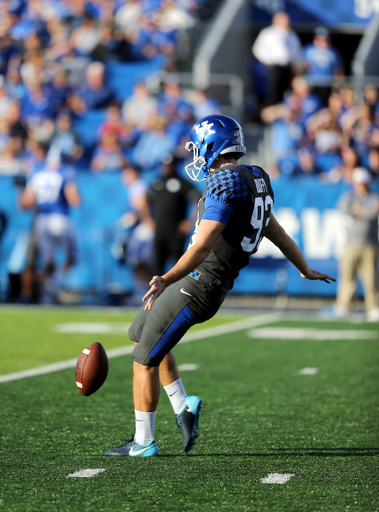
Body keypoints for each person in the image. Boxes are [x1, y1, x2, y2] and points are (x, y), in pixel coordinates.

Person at [104, 114, 335, 458]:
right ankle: (183, 405)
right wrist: (304, 268)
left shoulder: (225, 181)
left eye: (199, 148)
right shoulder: (254, 178)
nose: (196, 156)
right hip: (202, 281)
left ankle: (143, 442)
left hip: (198, 283)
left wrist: (166, 277)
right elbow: (279, 234)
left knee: (143, 358)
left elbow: (203, 245)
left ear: (213, 146)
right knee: (141, 333)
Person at [332, 167, 379, 321]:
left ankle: (373, 307)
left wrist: (360, 211)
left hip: (369, 244)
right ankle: (344, 305)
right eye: (358, 183)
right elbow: (344, 209)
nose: (361, 186)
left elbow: (373, 214)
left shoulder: (373, 197)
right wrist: (362, 211)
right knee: (347, 277)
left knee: (370, 278)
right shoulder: (349, 196)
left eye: (363, 183)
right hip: (350, 244)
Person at [146, 153, 201, 275]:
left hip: (176, 231)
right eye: (164, 165)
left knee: (179, 265)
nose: (166, 168)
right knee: (158, 265)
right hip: (159, 230)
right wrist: (148, 219)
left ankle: (179, 292)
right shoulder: (157, 183)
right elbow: (144, 201)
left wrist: (189, 221)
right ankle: (158, 293)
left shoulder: (182, 183)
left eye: (169, 165)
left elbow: (198, 199)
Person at [252, 12, 302, 106]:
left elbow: (297, 51)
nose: (288, 22)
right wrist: (269, 61)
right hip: (273, 68)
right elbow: (257, 49)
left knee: (286, 93)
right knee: (272, 93)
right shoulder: (268, 33)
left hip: (288, 68)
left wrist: (297, 64)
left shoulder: (291, 35)